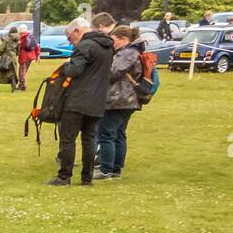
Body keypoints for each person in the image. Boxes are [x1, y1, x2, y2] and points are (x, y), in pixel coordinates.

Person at [48, 15, 113, 186]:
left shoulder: (85, 45)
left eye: (70, 38)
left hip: (77, 100)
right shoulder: (107, 46)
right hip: (97, 100)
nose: (71, 42)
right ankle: (86, 178)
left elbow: (75, 70)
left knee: (68, 139)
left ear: (77, 31)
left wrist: (67, 65)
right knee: (89, 140)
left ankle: (64, 177)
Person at [96, 25, 143, 181]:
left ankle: (106, 170)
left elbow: (112, 73)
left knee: (107, 134)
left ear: (123, 39)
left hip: (119, 99)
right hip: (126, 100)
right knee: (118, 134)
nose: (111, 43)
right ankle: (115, 170)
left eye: (114, 40)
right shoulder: (132, 51)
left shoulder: (127, 53)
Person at [0, 25, 18, 92]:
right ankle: (14, 89)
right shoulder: (18, 40)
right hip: (13, 58)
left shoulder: (6, 38)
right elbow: (18, 50)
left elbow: (2, 48)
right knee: (12, 74)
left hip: (5, 57)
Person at [16, 25, 38, 90]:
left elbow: (19, 47)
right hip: (31, 55)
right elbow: (36, 45)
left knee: (22, 71)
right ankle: (21, 85)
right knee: (24, 71)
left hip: (24, 55)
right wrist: (37, 54)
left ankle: (22, 86)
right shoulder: (31, 35)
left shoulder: (21, 37)